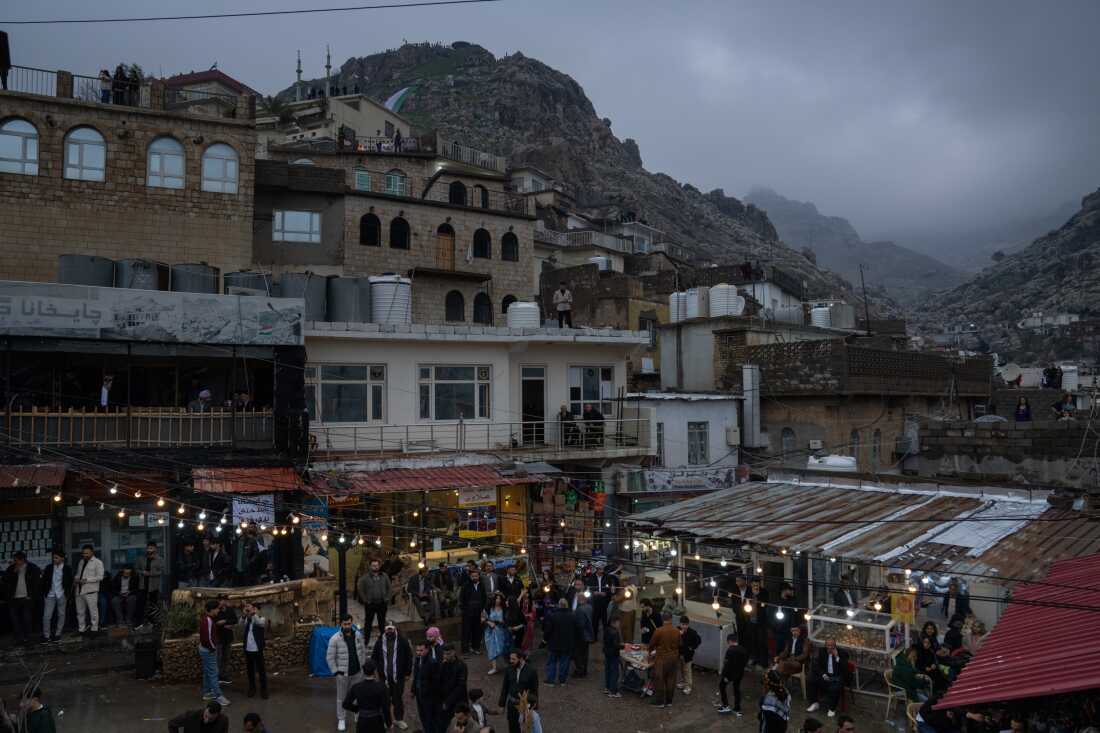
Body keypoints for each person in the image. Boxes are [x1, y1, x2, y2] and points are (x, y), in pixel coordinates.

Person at [327, 614, 368, 732]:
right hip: (342, 674)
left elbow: (363, 651)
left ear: (352, 623)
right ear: (341, 624)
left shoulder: (358, 635)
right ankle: (341, 719)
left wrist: (362, 665)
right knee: (341, 698)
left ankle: (357, 713)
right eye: (345, 624)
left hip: (357, 673)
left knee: (357, 695)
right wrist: (335, 671)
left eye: (349, 623)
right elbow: (330, 657)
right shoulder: (335, 638)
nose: (347, 626)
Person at [372, 622, 412, 730]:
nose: (389, 631)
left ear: (394, 629)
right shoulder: (380, 642)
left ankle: (399, 719)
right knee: (384, 700)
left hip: (398, 677)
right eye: (387, 629)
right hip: (384, 677)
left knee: (397, 699)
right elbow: (374, 657)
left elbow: (409, 656)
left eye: (391, 629)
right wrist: (374, 671)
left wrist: (408, 672)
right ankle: (386, 721)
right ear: (385, 630)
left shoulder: (402, 641)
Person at [343, 659, 392, 733]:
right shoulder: (381, 687)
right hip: (377, 721)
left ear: (363, 671)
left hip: (362, 720)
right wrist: (389, 723)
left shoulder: (356, 687)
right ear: (375, 671)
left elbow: (345, 704)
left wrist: (357, 709)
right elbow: (386, 707)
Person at [3, 551, 40, 645]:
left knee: (26, 619)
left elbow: (36, 584)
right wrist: (13, 573)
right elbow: (5, 581)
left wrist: (31, 596)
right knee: (14, 619)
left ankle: (27, 638)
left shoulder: (32, 568)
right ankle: (18, 638)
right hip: (14, 598)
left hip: (26, 598)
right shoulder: (11, 568)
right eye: (14, 560)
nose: (15, 562)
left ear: (22, 560)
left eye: (16, 560)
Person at [498, 650, 538, 733]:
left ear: (521, 659)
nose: (511, 661)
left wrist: (534, 706)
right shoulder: (509, 669)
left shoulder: (531, 671)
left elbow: (534, 690)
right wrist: (501, 704)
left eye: (513, 659)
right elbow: (505, 687)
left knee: (525, 729)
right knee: (513, 728)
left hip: (524, 705)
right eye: (510, 659)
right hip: (512, 705)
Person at [806, 639, 848, 718]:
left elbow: (845, 667)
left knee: (834, 687)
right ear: (825, 646)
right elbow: (816, 665)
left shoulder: (842, 653)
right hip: (825, 675)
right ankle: (814, 703)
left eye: (832, 646)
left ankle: (832, 708)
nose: (830, 648)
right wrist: (823, 674)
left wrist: (837, 657)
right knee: (810, 680)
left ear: (835, 646)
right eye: (828, 645)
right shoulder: (821, 651)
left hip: (836, 676)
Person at [199, 600, 230, 706]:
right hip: (208, 650)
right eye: (217, 608)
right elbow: (207, 638)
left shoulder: (207, 619)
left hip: (205, 649)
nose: (218, 610)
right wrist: (213, 648)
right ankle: (218, 696)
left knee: (208, 672)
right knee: (213, 673)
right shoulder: (208, 620)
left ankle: (207, 693)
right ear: (211, 610)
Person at [648, 611, 680, 708]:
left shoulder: (659, 631)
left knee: (660, 679)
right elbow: (680, 644)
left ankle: (660, 702)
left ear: (663, 619)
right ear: (671, 619)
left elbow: (652, 644)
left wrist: (650, 652)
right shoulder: (676, 631)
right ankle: (669, 701)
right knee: (671, 679)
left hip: (662, 658)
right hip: (674, 658)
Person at [40, 549, 72, 643]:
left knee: (61, 615)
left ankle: (58, 634)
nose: (54, 559)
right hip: (50, 594)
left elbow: (69, 583)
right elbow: (44, 581)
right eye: (53, 558)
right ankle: (46, 636)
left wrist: (68, 595)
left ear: (62, 559)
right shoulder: (49, 568)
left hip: (62, 594)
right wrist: (44, 592)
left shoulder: (67, 569)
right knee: (46, 616)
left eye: (56, 558)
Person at [358, 559, 391, 644]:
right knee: (368, 623)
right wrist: (365, 600)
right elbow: (360, 588)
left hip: (382, 603)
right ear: (370, 566)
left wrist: (387, 598)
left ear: (379, 566)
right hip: (370, 604)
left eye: (376, 565)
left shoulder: (384, 576)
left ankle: (383, 639)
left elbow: (389, 587)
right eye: (373, 565)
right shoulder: (365, 577)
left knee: (382, 622)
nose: (375, 567)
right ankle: (366, 640)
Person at [73, 544, 105, 634]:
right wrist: (76, 578)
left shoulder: (98, 562)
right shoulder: (81, 562)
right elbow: (79, 574)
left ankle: (94, 629)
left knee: (93, 612)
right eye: (83, 553)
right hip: (79, 590)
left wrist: (87, 580)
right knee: (80, 612)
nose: (85, 555)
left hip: (90, 591)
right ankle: (81, 629)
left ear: (92, 552)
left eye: (87, 553)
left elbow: (100, 577)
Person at [543, 598, 575, 686]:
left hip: (554, 643)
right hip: (567, 643)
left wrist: (544, 639)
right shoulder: (572, 616)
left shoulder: (553, 616)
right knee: (564, 663)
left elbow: (548, 630)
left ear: (559, 605)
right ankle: (562, 680)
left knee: (552, 662)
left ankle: (550, 680)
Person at [239, 602, 268, 699]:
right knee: (250, 671)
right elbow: (240, 625)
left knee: (261, 671)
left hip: (257, 649)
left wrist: (253, 613)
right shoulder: (247, 619)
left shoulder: (262, 618)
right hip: (248, 649)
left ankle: (264, 690)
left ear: (257, 610)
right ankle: (252, 688)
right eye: (251, 609)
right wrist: (244, 615)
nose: (252, 610)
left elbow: (259, 623)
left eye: (254, 609)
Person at [438, 644, 469, 733]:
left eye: (448, 654)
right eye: (444, 654)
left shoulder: (461, 666)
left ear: (453, 653)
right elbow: (439, 681)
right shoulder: (443, 665)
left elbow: (460, 686)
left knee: (459, 726)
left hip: (457, 702)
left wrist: (448, 702)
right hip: (446, 700)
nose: (446, 656)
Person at [717, 633, 749, 716]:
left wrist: (725, 676)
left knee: (722, 686)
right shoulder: (743, 650)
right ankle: (737, 708)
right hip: (740, 674)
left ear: (730, 641)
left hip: (730, 675)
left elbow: (727, 665)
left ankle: (726, 705)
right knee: (736, 689)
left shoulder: (730, 650)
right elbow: (745, 662)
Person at [412, 641, 440, 733]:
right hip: (419, 694)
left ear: (427, 650)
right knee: (423, 716)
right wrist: (413, 690)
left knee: (430, 718)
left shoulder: (432, 663)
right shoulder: (417, 660)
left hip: (429, 696)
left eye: (421, 650)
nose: (418, 653)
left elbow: (436, 682)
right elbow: (416, 676)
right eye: (417, 650)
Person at [459, 568, 487, 655]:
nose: (475, 577)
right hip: (468, 613)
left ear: (478, 576)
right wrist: (464, 610)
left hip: (478, 612)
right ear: (470, 577)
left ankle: (476, 648)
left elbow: (484, 598)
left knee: (477, 631)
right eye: (473, 576)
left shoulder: (481, 585)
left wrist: (483, 609)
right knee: (466, 632)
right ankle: (465, 650)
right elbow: (461, 599)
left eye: (476, 576)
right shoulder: (465, 586)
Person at [484, 593, 513, 675]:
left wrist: (502, 622)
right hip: (490, 631)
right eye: (497, 599)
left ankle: (508, 664)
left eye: (500, 599)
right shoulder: (489, 608)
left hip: (501, 631)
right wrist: (488, 622)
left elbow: (507, 620)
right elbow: (482, 617)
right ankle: (494, 667)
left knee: (503, 648)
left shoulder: (504, 609)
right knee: (492, 649)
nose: (498, 600)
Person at [746, 577, 771, 667]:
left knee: (762, 641)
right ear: (751, 584)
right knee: (753, 641)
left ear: (759, 584)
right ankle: (755, 659)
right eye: (754, 585)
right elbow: (745, 603)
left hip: (761, 621)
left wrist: (757, 595)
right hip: (751, 620)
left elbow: (766, 604)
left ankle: (763, 661)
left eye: (757, 585)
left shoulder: (764, 592)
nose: (755, 586)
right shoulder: (748, 592)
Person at [586, 563, 615, 639]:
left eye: (602, 569)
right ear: (597, 569)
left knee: (605, 621)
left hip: (604, 601)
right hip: (595, 602)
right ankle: (594, 637)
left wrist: (605, 593)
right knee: (594, 620)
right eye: (600, 569)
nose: (601, 571)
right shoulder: (591, 577)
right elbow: (588, 588)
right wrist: (593, 592)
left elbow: (610, 589)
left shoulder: (607, 577)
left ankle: (606, 638)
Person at [139, 541, 164, 625]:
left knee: (153, 604)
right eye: (148, 548)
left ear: (155, 549)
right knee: (142, 603)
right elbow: (136, 568)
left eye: (151, 548)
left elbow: (161, 571)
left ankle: (153, 621)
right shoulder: (142, 558)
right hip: (143, 584)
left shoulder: (159, 559)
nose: (149, 550)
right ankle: (142, 621)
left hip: (153, 585)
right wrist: (142, 572)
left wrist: (150, 573)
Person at [215, 599, 239, 685]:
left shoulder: (230, 610)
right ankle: (217, 676)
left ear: (225, 601)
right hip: (219, 638)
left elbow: (235, 620)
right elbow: (215, 622)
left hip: (228, 638)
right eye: (219, 601)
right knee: (218, 658)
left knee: (226, 657)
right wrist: (220, 623)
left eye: (222, 601)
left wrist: (226, 621)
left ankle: (224, 675)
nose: (220, 603)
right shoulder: (217, 610)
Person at [677, 615, 701, 695]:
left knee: (687, 670)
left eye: (685, 625)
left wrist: (692, 648)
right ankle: (684, 683)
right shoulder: (677, 630)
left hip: (688, 655)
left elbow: (698, 640)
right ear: (680, 624)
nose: (684, 626)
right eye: (682, 624)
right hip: (679, 654)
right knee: (682, 669)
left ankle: (688, 686)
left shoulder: (692, 632)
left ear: (688, 624)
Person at [573, 590, 595, 678]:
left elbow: (580, 625)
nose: (577, 600)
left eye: (578, 598)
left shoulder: (579, 610)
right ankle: (584, 669)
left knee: (578, 654)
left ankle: (580, 671)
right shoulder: (590, 607)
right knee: (585, 654)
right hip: (588, 634)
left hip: (581, 635)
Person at [603, 615, 624, 697]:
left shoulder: (606, 630)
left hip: (607, 653)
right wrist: (623, 646)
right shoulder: (615, 632)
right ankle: (613, 691)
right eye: (618, 622)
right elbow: (616, 645)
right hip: (614, 654)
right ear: (614, 623)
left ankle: (607, 688)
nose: (619, 624)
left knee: (607, 671)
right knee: (614, 672)